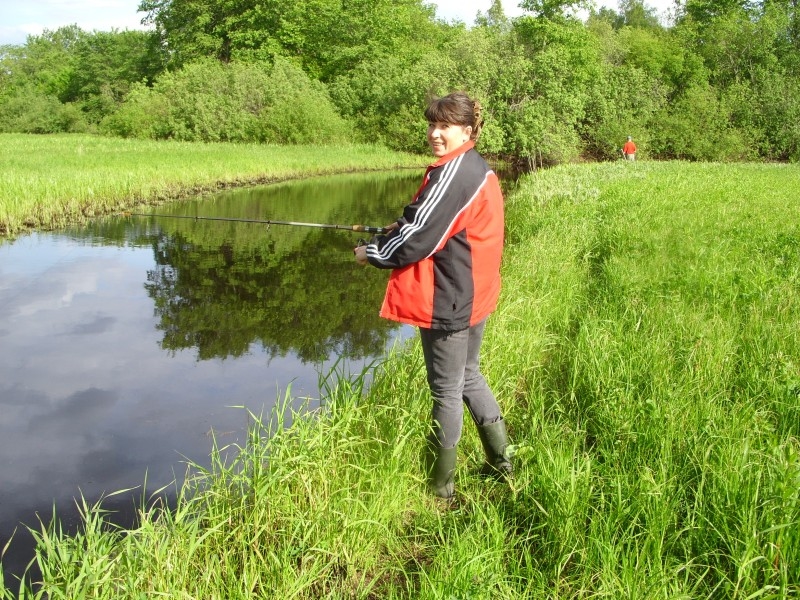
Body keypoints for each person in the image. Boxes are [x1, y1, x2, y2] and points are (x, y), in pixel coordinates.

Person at [354, 92, 512, 501]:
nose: (435, 134)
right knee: (469, 376)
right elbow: (428, 219)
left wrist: (371, 252)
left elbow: (420, 239)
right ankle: (503, 461)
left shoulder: (455, 173)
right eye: (431, 125)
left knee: (446, 389)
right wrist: (398, 224)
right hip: (474, 294)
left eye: (444, 126)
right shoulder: (475, 167)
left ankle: (440, 488)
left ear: (466, 130)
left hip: (451, 300)